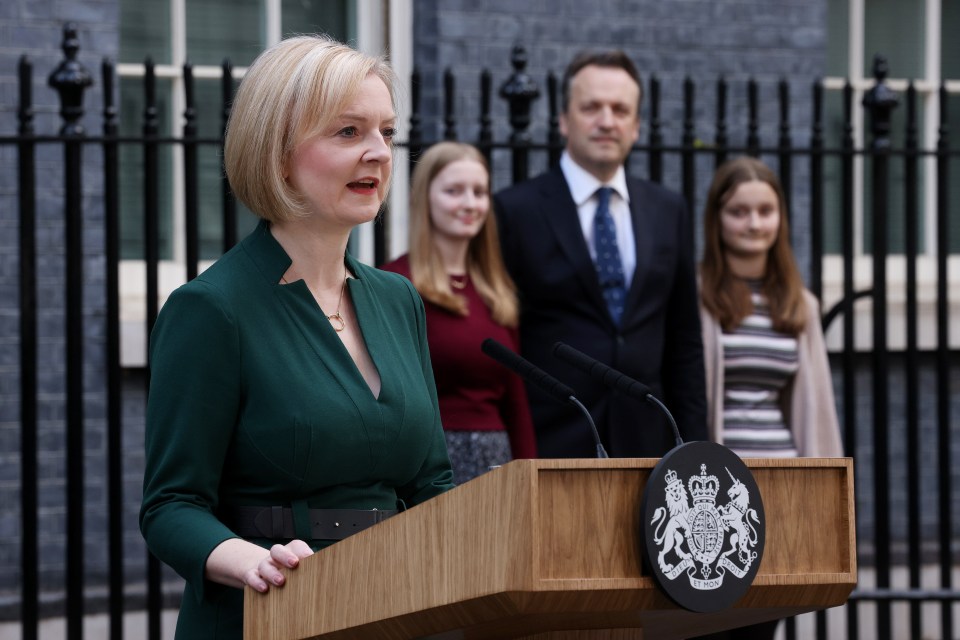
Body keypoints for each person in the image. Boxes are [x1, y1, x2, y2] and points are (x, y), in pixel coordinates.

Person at [139, 35, 455, 639]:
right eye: (348, 132)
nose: (379, 153)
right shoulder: (211, 310)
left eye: (387, 133)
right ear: (278, 153)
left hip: (393, 609)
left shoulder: (398, 300)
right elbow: (170, 508)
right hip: (267, 615)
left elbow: (431, 484)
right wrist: (252, 563)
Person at [493, 49, 707, 458]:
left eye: (620, 110)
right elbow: (506, 337)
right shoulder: (515, 210)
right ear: (563, 121)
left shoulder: (668, 209)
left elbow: (685, 341)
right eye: (591, 107)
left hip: (650, 442)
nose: (606, 121)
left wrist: (696, 449)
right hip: (552, 439)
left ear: (637, 126)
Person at [693, 156, 844, 640]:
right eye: (739, 211)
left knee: (762, 623)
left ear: (781, 217)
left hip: (782, 487)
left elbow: (816, 409)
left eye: (765, 210)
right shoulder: (695, 296)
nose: (754, 223)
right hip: (712, 492)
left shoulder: (800, 302)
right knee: (709, 620)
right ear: (716, 218)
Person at [380, 142, 537, 484]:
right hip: (430, 463)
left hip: (499, 461)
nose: (469, 203)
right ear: (425, 199)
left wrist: (530, 476)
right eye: (454, 191)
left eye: (479, 192)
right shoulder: (396, 284)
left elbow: (515, 399)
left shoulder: (494, 288)